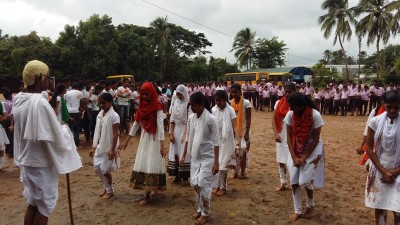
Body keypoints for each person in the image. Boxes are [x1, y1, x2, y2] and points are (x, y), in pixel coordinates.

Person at [13, 60, 82, 225]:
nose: (50, 80)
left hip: (27, 162)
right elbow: (57, 135)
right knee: (44, 207)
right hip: (41, 165)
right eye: (48, 77)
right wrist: (65, 128)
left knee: (33, 204)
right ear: (38, 78)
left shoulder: (19, 100)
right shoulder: (40, 104)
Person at [119, 82, 166, 206]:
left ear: (151, 93)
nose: (144, 96)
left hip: (155, 139)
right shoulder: (141, 107)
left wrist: (162, 145)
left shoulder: (157, 106)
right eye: (143, 94)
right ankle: (147, 193)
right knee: (145, 162)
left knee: (152, 162)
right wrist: (127, 141)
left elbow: (160, 126)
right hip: (145, 138)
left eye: (146, 94)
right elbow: (136, 124)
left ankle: (150, 192)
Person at [180, 92, 220, 225]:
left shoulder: (211, 119)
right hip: (195, 156)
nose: (191, 107)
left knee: (204, 184)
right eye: (190, 105)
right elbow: (188, 137)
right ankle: (199, 208)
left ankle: (205, 213)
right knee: (196, 184)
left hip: (208, 157)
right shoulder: (191, 118)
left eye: (194, 105)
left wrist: (216, 162)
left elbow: (216, 142)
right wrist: (184, 154)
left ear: (202, 104)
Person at [285, 92, 325, 222]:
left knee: (304, 181)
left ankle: (310, 204)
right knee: (294, 180)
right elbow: (289, 139)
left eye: (293, 107)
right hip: (296, 148)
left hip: (313, 149)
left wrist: (304, 157)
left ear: (301, 106)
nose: (291, 109)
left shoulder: (315, 115)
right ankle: (297, 210)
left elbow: (315, 140)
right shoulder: (290, 114)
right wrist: (294, 157)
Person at [365, 90, 400, 225]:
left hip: (398, 169)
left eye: (396, 107)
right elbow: (369, 148)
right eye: (389, 106)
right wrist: (383, 171)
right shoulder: (375, 121)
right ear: (383, 104)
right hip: (379, 168)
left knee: (398, 209)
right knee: (380, 207)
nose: (392, 110)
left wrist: (396, 171)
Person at [90, 93, 120, 199]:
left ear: (110, 103)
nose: (101, 105)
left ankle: (109, 190)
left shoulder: (114, 116)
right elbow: (97, 131)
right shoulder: (100, 114)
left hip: (110, 146)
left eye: (104, 103)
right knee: (97, 168)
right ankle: (107, 188)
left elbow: (116, 133)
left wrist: (112, 149)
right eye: (100, 103)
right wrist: (94, 146)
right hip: (100, 145)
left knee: (105, 170)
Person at [212, 90, 238, 196]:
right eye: (216, 100)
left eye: (220, 100)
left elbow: (235, 126)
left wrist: (238, 141)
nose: (218, 103)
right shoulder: (213, 110)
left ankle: (223, 187)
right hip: (216, 141)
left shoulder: (230, 110)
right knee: (216, 163)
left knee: (223, 165)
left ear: (224, 100)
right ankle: (218, 185)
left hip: (227, 141)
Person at [272, 83, 296, 191]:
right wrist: (275, 133)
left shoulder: (298, 104)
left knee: (292, 159)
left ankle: (294, 182)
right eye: (285, 91)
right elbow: (273, 119)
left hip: (293, 134)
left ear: (295, 91)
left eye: (290, 92)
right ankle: (283, 182)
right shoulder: (278, 103)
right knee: (280, 159)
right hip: (281, 133)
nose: (287, 94)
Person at [168, 84, 191, 185]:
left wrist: (185, 134)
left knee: (183, 152)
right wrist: (171, 134)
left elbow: (189, 121)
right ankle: (177, 175)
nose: (178, 96)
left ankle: (185, 177)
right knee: (175, 152)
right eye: (177, 94)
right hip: (176, 129)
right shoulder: (175, 103)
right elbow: (172, 120)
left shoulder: (188, 104)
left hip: (185, 129)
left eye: (180, 94)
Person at [230, 83, 252, 178]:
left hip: (244, 131)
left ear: (240, 91)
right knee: (235, 153)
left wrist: (247, 132)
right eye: (232, 92)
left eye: (236, 92)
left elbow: (249, 118)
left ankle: (242, 172)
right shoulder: (230, 103)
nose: (234, 94)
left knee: (243, 152)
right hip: (234, 132)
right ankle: (235, 171)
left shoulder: (246, 103)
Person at [0, 101, 10, 169]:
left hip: (0, 128)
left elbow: (5, 116)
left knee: (1, 147)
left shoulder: (1, 104)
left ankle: (0, 165)